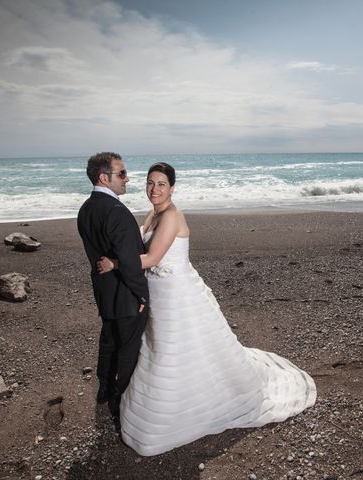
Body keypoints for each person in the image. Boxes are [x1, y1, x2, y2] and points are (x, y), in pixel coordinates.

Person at [96, 162, 317, 456]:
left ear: (172, 188)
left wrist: (114, 263)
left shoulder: (172, 216)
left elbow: (150, 259)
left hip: (177, 293)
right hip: (158, 295)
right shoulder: (153, 214)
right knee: (159, 348)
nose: (154, 189)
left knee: (176, 350)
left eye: (161, 184)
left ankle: (190, 409)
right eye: (150, 183)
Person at [77, 152, 149, 426]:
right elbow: (130, 261)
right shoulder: (117, 212)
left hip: (104, 292)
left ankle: (104, 388)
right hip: (126, 296)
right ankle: (121, 404)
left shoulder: (86, 209)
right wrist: (142, 294)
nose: (127, 178)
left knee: (108, 341)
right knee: (127, 349)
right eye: (121, 173)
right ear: (103, 178)